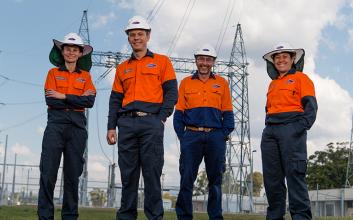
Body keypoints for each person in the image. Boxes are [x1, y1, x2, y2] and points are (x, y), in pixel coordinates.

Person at [106, 15, 178, 220]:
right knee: (128, 176)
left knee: (152, 174)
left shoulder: (162, 62)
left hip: (151, 123)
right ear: (128, 38)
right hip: (126, 124)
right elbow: (114, 100)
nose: (136, 38)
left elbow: (172, 93)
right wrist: (111, 127)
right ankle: (126, 216)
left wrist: (161, 118)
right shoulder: (122, 68)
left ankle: (154, 217)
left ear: (148, 36)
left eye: (140, 34)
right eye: (132, 35)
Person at [38, 32, 96, 220]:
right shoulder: (52, 73)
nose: (71, 52)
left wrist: (63, 96)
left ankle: (70, 216)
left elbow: (90, 101)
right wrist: (77, 100)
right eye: (68, 49)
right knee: (48, 174)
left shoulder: (86, 76)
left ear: (80, 54)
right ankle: (45, 217)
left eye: (75, 50)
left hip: (77, 128)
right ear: (62, 52)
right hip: (55, 124)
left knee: (72, 177)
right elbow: (50, 99)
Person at [173, 44, 234, 220]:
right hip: (191, 136)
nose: (204, 63)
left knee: (215, 182)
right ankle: (184, 217)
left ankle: (215, 217)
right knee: (186, 179)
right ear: (196, 60)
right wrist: (182, 136)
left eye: (208, 60)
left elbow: (228, 114)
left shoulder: (222, 83)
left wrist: (222, 135)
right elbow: (179, 114)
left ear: (213, 62)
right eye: (201, 59)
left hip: (216, 137)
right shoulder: (185, 82)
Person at [261, 42, 318, 220]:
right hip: (270, 131)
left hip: (291, 130)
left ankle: (301, 217)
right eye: (277, 57)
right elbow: (268, 109)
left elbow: (311, 108)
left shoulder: (302, 78)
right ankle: (275, 217)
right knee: (272, 180)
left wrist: (298, 128)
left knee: (295, 176)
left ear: (293, 59)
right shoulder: (273, 84)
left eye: (285, 56)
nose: (281, 60)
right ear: (274, 62)